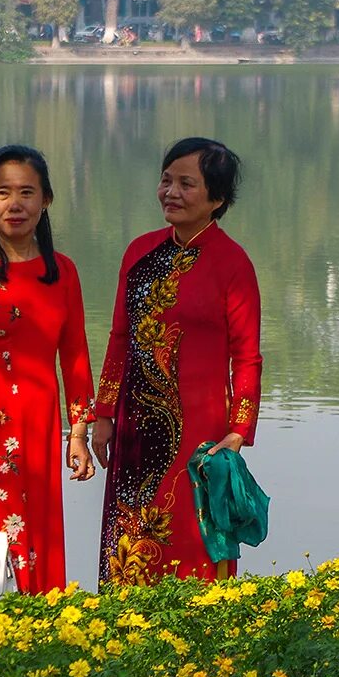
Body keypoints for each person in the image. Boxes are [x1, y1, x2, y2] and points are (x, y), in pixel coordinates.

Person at [91, 137, 262, 587]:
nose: (171, 192)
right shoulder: (139, 252)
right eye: (166, 180)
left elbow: (246, 357)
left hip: (200, 430)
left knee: (192, 530)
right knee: (128, 535)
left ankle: (196, 637)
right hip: (133, 425)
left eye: (187, 184)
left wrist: (239, 431)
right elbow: (120, 338)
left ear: (217, 198)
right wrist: (104, 414)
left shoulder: (233, 264)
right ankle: (123, 632)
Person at [0, 145, 96, 594]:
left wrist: (78, 434)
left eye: (27, 192)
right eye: (2, 192)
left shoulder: (62, 272)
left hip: (40, 431)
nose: (15, 204)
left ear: (46, 200)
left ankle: (39, 640)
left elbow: (76, 357)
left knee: (39, 541)